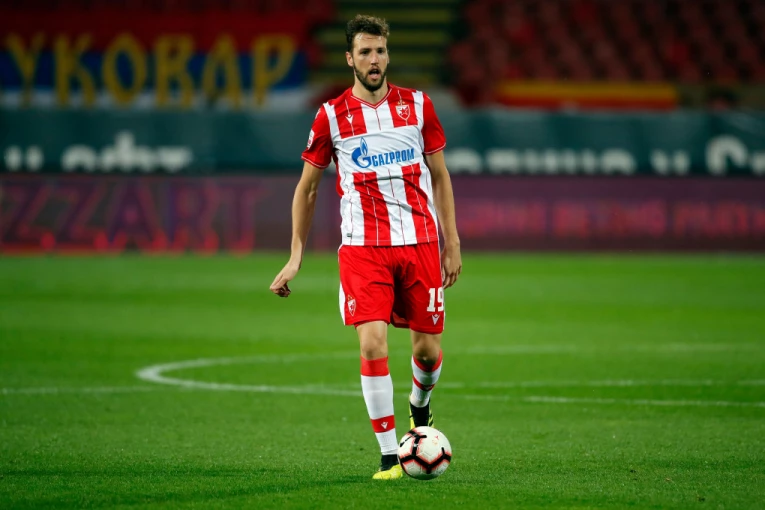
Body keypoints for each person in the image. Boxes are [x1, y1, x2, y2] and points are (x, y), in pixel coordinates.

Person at [269, 14, 462, 481]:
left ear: (387, 55)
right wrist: (295, 256)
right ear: (350, 58)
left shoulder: (418, 106)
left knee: (427, 353)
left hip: (419, 242)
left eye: (380, 51)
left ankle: (420, 406)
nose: (374, 60)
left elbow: (439, 176)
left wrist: (451, 241)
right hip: (363, 248)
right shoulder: (331, 116)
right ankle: (389, 457)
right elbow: (307, 189)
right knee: (373, 343)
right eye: (365, 52)